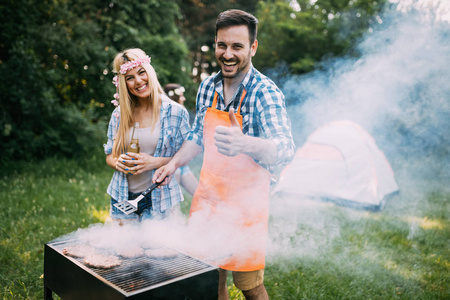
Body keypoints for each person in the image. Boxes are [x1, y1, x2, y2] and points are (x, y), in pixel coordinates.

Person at [153, 10, 295, 300]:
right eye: (222, 45)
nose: (228, 54)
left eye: (237, 47)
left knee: (249, 286)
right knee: (210, 277)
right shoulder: (207, 86)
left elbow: (285, 148)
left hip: (246, 208)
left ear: (253, 47)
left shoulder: (264, 93)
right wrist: (173, 164)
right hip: (209, 198)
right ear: (215, 43)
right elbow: (196, 136)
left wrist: (246, 144)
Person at [104, 48, 191, 223]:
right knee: (124, 250)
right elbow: (110, 156)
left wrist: (155, 162)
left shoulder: (175, 112)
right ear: (123, 83)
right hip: (122, 198)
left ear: (149, 72)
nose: (138, 81)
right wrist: (117, 163)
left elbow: (187, 156)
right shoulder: (119, 114)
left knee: (161, 250)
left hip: (162, 200)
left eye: (141, 72)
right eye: (130, 78)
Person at [163, 83, 199, 197]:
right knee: (173, 204)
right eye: (181, 95)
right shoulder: (166, 115)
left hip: (183, 165)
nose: (184, 98)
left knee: (199, 195)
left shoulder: (182, 113)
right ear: (174, 97)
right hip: (169, 164)